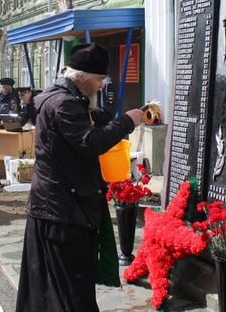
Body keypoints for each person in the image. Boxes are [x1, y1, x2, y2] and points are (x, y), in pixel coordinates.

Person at [15, 43, 142, 311]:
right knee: (73, 293)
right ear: (81, 78)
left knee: (48, 290)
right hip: (63, 212)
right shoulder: (64, 104)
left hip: (52, 207)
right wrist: (128, 121)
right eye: (98, 80)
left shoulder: (60, 97)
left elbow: (87, 124)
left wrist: (109, 118)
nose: (100, 86)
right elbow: (90, 142)